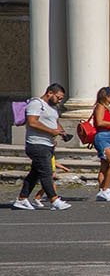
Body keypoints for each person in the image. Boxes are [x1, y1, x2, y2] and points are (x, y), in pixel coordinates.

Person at [13, 82, 70, 211]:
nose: (59, 100)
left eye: (61, 98)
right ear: (50, 93)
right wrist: (51, 132)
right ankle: (54, 200)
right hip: (36, 144)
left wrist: (62, 133)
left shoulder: (52, 107)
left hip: (47, 144)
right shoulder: (36, 103)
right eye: (58, 97)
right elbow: (32, 122)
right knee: (46, 173)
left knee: (35, 173)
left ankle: (22, 199)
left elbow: (55, 122)